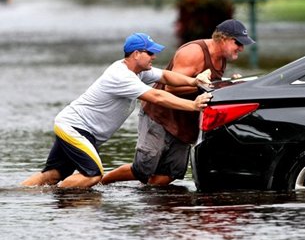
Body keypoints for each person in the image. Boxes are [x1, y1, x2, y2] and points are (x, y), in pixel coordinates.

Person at [21, 33, 212, 189]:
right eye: (150, 53)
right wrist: (192, 105)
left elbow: (166, 76)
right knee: (93, 175)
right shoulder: (121, 76)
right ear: (136, 54)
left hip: (75, 127)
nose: (154, 57)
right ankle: (57, 200)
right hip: (74, 127)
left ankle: (18, 194)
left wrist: (194, 81)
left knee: (53, 175)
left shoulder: (138, 71)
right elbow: (157, 97)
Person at [101, 19, 255, 186]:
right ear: (223, 39)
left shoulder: (222, 56)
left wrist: (228, 84)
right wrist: (209, 86)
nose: (241, 48)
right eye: (238, 43)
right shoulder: (193, 52)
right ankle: (102, 182)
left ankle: (148, 205)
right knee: (143, 169)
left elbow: (208, 85)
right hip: (160, 115)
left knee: (170, 174)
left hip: (184, 119)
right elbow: (170, 89)